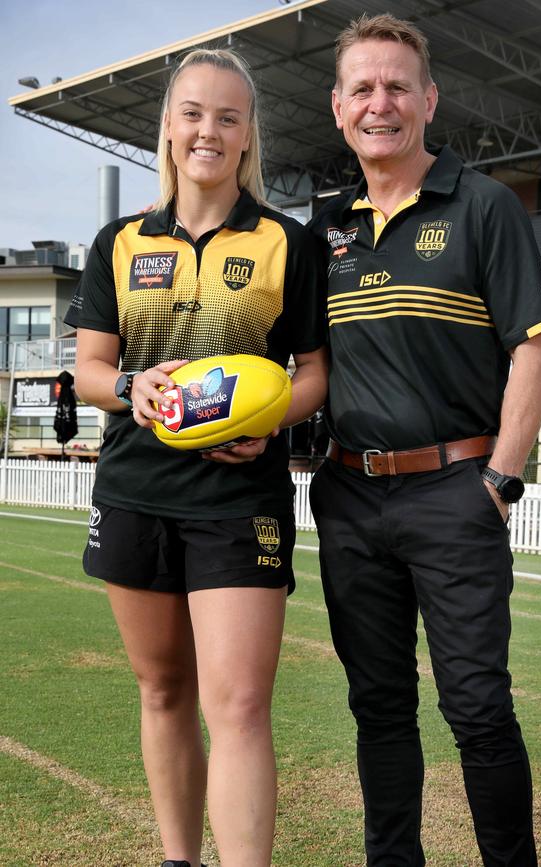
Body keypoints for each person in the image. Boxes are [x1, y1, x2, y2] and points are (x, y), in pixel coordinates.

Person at [307, 14, 541, 867]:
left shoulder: (483, 204)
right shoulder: (324, 231)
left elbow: (533, 346)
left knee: (478, 706)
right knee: (378, 707)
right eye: (363, 89)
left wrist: (499, 480)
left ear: (428, 99)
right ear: (338, 107)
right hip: (349, 496)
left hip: (456, 492)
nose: (380, 104)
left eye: (396, 87)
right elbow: (297, 366)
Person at [65, 48, 327, 867]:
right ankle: (180, 858)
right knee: (164, 689)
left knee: (241, 704)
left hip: (237, 495)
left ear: (249, 136)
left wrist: (272, 416)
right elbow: (91, 369)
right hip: (137, 487)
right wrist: (133, 386)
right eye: (192, 113)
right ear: (168, 129)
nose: (208, 130)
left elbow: (315, 374)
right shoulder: (119, 241)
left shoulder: (289, 242)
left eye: (227, 116)